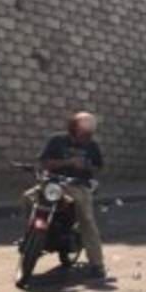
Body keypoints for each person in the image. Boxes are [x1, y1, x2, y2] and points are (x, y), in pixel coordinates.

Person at [39, 112, 105, 279]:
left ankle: (97, 263)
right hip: (53, 184)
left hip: (78, 186)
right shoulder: (56, 141)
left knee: (87, 220)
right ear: (73, 129)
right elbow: (45, 162)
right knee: (28, 198)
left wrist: (86, 167)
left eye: (90, 134)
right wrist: (69, 162)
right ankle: (33, 236)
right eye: (84, 134)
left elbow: (98, 168)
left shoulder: (92, 146)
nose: (87, 137)